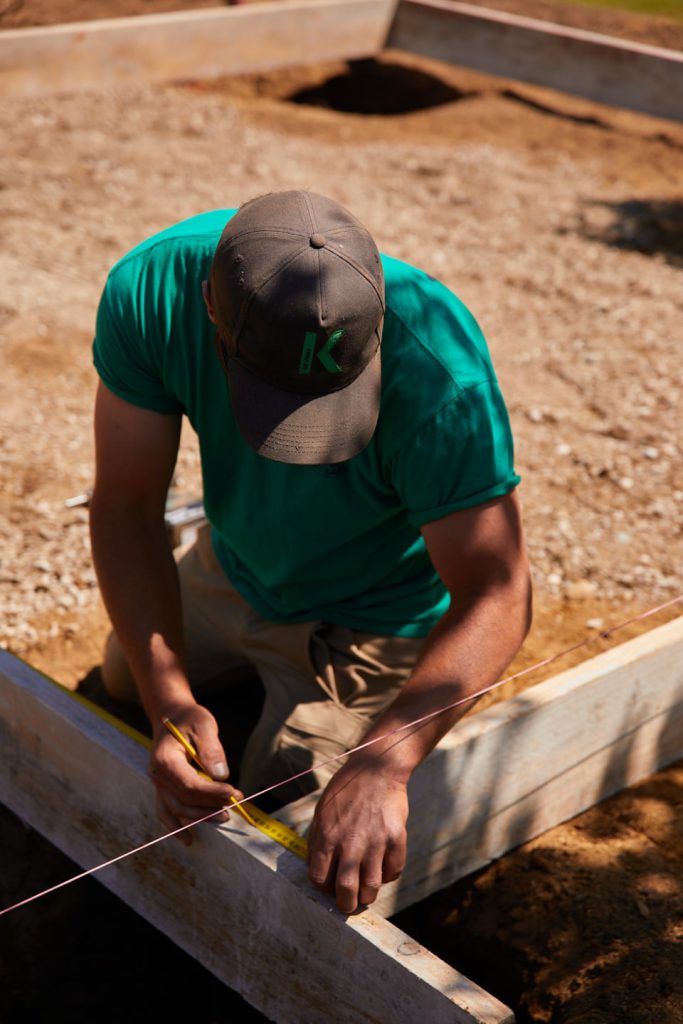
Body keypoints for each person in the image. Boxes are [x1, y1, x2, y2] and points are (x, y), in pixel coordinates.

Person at [89, 189, 531, 914]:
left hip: (377, 614)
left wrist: (385, 763)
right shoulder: (152, 291)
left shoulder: (440, 376)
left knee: (285, 822)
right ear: (210, 308)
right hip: (236, 566)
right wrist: (168, 699)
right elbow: (126, 506)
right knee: (121, 680)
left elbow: (498, 589)